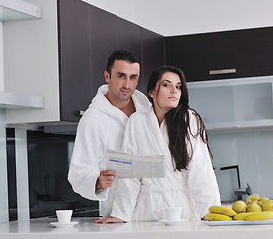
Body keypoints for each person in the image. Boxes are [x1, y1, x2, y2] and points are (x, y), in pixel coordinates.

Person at [95, 66, 221, 223]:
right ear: (152, 92)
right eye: (167, 85)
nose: (174, 91)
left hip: (181, 212)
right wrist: (121, 214)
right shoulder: (137, 122)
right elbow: (130, 174)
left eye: (178, 86)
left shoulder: (189, 120)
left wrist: (212, 213)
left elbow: (201, 171)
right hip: (146, 211)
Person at [67, 49, 151, 217]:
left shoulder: (148, 111)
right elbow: (78, 173)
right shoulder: (92, 120)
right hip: (116, 213)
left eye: (133, 77)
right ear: (107, 77)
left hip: (154, 208)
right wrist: (97, 181)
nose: (127, 84)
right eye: (121, 76)